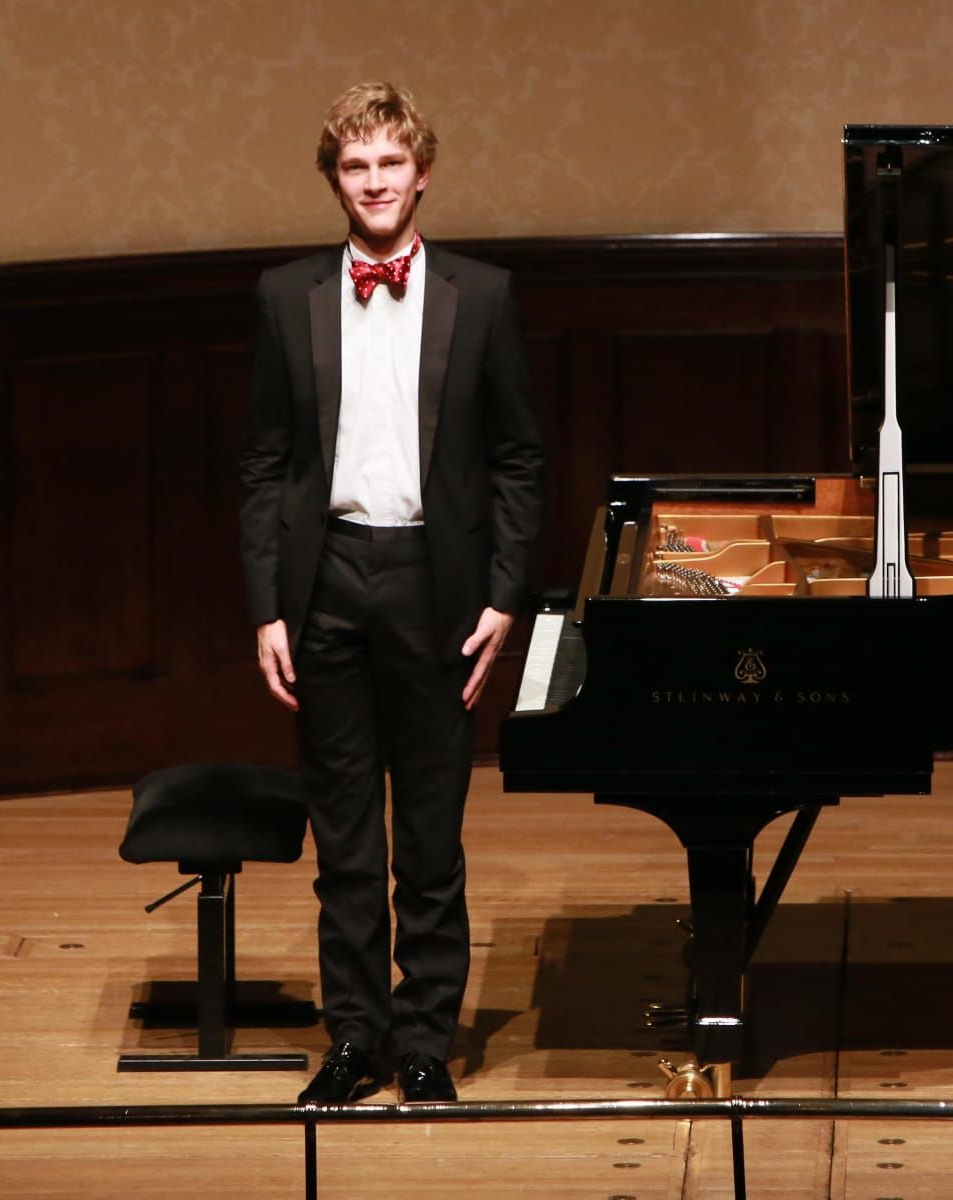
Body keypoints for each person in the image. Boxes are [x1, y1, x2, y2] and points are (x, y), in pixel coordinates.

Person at [239, 81, 544, 1104]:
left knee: (430, 829)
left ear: (423, 172)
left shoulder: (483, 294)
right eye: (355, 167)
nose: (375, 183)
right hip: (324, 581)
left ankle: (424, 1040)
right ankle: (353, 1037)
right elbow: (265, 462)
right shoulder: (288, 296)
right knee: (344, 836)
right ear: (336, 181)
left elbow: (517, 460)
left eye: (390, 164)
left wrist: (504, 594)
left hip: (436, 588)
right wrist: (266, 607)